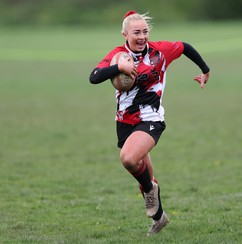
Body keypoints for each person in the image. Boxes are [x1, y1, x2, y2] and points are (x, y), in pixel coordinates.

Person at [89, 10, 210, 235]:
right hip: (124, 121)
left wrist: (205, 70)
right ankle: (159, 217)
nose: (142, 36)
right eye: (137, 32)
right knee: (144, 172)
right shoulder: (117, 55)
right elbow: (94, 76)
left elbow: (184, 46)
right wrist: (119, 69)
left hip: (151, 118)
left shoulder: (159, 51)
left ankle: (150, 191)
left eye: (145, 31)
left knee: (129, 159)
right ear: (125, 34)